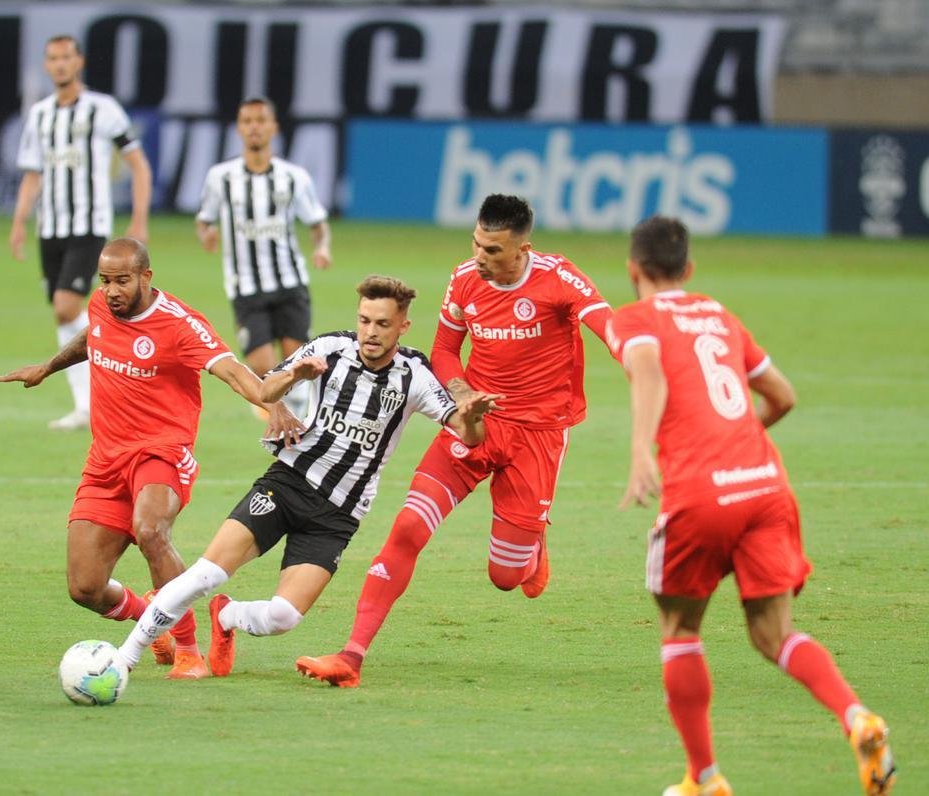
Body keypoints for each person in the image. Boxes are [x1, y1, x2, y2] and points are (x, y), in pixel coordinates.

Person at [607, 216, 895, 796]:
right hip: (766, 487)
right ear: (689, 270)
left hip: (700, 494)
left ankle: (705, 778)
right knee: (774, 635)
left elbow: (648, 372)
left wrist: (643, 452)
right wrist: (735, 443)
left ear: (633, 269)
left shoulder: (633, 319)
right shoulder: (719, 314)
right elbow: (783, 397)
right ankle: (857, 717)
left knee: (680, 626)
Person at [297, 193, 614, 688]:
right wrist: (463, 396)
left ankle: (532, 537)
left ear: (523, 248)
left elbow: (609, 326)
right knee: (407, 530)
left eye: (493, 251)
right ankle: (351, 656)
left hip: (538, 435)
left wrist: (644, 358)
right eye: (476, 244)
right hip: (473, 426)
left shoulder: (558, 278)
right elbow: (445, 350)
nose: (480, 258)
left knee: (506, 577)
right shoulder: (466, 278)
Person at [114, 276, 501, 678]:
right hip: (288, 483)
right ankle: (123, 659)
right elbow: (266, 391)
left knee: (283, 617)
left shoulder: (414, 375)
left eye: (382, 324)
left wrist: (473, 419)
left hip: (337, 515)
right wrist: (296, 375)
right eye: (365, 320)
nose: (370, 332)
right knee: (203, 575)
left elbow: (468, 435)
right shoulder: (331, 347)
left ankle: (226, 616)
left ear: (402, 326)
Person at [0, 238, 300, 680]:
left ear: (146, 276)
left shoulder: (180, 325)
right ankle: (150, 618)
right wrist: (48, 366)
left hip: (161, 451)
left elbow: (233, 371)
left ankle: (188, 648)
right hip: (105, 460)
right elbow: (93, 337)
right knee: (85, 587)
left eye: (122, 281)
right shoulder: (103, 306)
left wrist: (273, 403)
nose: (112, 291)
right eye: (105, 281)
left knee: (150, 530)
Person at [9, 34, 153, 431]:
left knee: (65, 306)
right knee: (64, 314)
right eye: (52, 58)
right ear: (46, 65)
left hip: (88, 226)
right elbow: (33, 174)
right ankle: (86, 405)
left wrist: (140, 219)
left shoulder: (102, 110)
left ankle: (100, 397)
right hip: (50, 227)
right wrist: (20, 221)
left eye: (65, 57)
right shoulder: (40, 115)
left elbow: (138, 163)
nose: (59, 65)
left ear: (79, 62)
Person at [195, 96, 331, 421]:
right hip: (245, 285)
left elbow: (317, 223)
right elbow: (204, 218)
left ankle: (294, 408)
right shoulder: (221, 177)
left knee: (296, 358)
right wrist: (207, 234)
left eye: (260, 120)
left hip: (289, 280)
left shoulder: (293, 177)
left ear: (273, 127)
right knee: (260, 365)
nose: (254, 127)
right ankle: (289, 406)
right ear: (239, 128)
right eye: (247, 121)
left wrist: (322, 247)